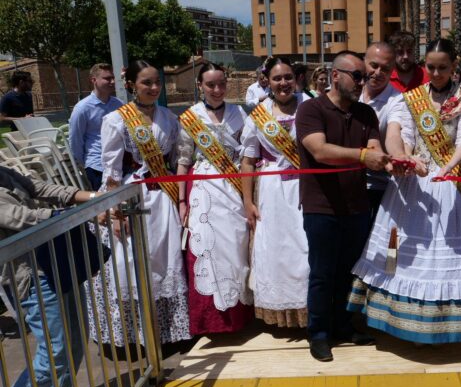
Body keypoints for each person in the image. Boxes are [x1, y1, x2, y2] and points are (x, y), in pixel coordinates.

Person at [348, 38, 461, 344]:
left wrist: (449, 167)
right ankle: (397, 320)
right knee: (399, 250)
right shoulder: (411, 98)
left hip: (449, 183)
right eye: (431, 67)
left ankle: (454, 325)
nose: (436, 73)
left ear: (454, 67)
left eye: (442, 67)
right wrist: (408, 157)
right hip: (414, 180)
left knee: (452, 251)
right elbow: (400, 134)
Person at [85, 60, 190, 346]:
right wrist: (115, 212)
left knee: (163, 260)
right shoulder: (117, 120)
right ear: (131, 84)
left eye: (157, 82)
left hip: (162, 200)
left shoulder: (169, 118)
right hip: (132, 199)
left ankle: (167, 332)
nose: (154, 88)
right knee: (132, 263)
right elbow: (112, 171)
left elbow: (177, 157)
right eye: (147, 82)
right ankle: (136, 336)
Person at [296, 51, 391, 361]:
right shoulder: (310, 110)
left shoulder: (366, 114)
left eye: (363, 76)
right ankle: (319, 334)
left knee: (349, 273)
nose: (363, 82)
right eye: (357, 75)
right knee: (322, 273)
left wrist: (394, 162)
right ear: (335, 75)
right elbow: (320, 151)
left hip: (357, 207)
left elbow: (376, 150)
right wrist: (364, 156)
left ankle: (342, 324)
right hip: (321, 206)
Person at [0, 166, 100, 387]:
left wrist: (96, 198)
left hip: (56, 262)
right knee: (53, 355)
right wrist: (75, 214)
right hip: (30, 275)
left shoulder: (3, 172)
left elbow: (40, 188)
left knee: (76, 343)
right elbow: (20, 217)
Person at [176, 63, 253, 335]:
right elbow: (183, 162)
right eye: (211, 85)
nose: (217, 90)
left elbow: (247, 155)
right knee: (209, 248)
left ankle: (240, 316)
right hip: (204, 189)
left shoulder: (238, 113)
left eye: (221, 84)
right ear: (200, 86)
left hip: (233, 188)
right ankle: (211, 321)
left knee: (236, 246)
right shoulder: (190, 117)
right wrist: (182, 202)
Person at [241, 56, 311, 328]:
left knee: (305, 247)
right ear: (266, 82)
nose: (283, 83)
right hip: (271, 191)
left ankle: (308, 311)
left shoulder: (310, 105)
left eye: (288, 78)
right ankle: (281, 316)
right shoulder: (259, 114)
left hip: (306, 186)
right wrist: (248, 201)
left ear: (296, 79)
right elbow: (247, 160)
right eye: (277, 78)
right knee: (276, 248)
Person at [360, 42, 410, 221]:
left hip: (378, 186)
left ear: (392, 71)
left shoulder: (397, 100)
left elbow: (393, 133)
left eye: (385, 69)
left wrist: (398, 156)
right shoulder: (350, 90)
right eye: (374, 65)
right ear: (363, 62)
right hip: (345, 182)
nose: (378, 73)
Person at [68, 63, 124, 191]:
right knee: (106, 207)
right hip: (97, 166)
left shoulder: (118, 104)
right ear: (94, 80)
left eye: (113, 78)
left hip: (119, 162)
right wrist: (86, 164)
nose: (113, 81)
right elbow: (75, 140)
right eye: (107, 78)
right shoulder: (82, 108)